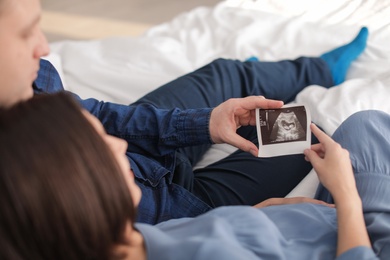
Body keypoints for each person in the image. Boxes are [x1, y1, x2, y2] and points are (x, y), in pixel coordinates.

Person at [0, 0, 369, 224]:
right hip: (184, 207)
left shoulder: (30, 85)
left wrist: (205, 123)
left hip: (143, 154)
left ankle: (317, 70)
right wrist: (236, 220)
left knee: (225, 74)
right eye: (26, 33)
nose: (45, 47)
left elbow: (97, 117)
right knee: (306, 133)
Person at [1, 93, 389, 260]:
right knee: (366, 127)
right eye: (101, 145)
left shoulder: (123, 242)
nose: (120, 146)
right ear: (77, 191)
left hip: (312, 222)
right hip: (359, 242)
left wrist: (260, 215)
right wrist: (346, 194)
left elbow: (208, 233)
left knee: (359, 129)